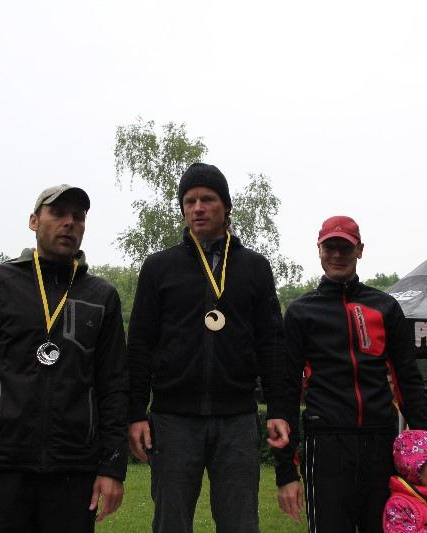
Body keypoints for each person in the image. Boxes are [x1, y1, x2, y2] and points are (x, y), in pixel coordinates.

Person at [0, 185, 128, 532]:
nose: (69, 223)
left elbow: (114, 385)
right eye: (58, 213)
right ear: (33, 221)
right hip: (2, 464)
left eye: (79, 217)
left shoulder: (101, 295)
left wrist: (113, 467)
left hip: (74, 469)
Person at [126, 162, 291, 533]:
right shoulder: (159, 267)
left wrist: (279, 408)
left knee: (240, 524)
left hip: (237, 419)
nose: (198, 208)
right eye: (190, 201)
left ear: (226, 206)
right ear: (183, 209)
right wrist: (135, 412)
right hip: (173, 419)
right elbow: (139, 344)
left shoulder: (254, 267)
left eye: (208, 199)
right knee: (171, 523)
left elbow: (271, 344)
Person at [275, 215, 427, 532]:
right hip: (327, 444)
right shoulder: (301, 312)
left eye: (345, 248)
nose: (337, 254)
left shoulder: (385, 307)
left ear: (360, 250)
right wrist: (285, 472)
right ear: (319, 250)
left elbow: (409, 383)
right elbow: (286, 392)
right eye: (330, 247)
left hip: (380, 442)